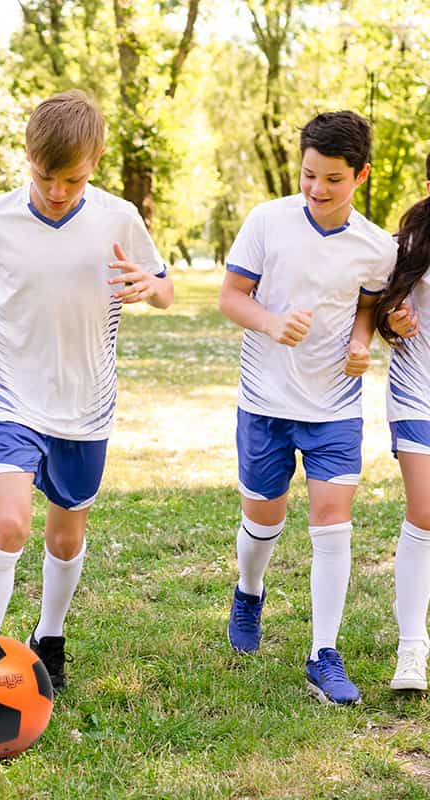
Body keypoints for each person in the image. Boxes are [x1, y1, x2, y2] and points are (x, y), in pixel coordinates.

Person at [0, 89, 173, 727]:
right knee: (9, 524)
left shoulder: (118, 219)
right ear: (27, 158)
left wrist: (152, 286)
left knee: (66, 537)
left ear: (95, 163)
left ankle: (50, 638)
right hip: (12, 394)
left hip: (86, 405)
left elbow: (165, 286)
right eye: (44, 176)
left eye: (72, 179)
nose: (57, 191)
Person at [219, 110, 397, 705]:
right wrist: (271, 322)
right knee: (264, 521)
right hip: (265, 400)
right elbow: (231, 297)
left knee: (331, 524)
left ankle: (323, 653)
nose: (318, 189)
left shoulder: (376, 248)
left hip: (335, 406)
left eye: (333, 179)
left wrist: (359, 340)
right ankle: (249, 590)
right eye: (309, 175)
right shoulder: (267, 222)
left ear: (361, 176)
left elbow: (370, 307)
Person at [373, 154, 430, 691]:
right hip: (419, 394)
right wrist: (394, 320)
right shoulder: (411, 242)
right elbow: (383, 313)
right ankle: (412, 649)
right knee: (426, 512)